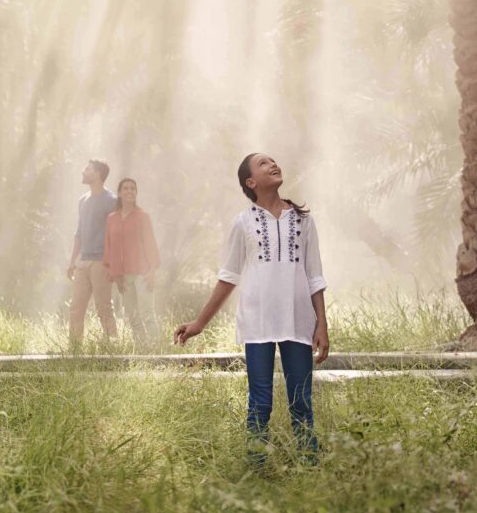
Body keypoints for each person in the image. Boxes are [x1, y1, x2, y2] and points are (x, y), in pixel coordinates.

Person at [174, 153, 329, 463]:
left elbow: (315, 275)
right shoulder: (243, 222)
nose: (273, 164)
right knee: (260, 401)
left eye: (273, 160)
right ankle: (256, 466)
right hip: (257, 322)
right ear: (251, 182)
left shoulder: (302, 219)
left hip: (298, 321)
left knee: (301, 400)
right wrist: (200, 323)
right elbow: (228, 277)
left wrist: (321, 324)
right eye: (263, 164)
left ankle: (309, 465)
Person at [64, 158, 118, 350]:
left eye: (87, 169)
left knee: (104, 308)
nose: (83, 172)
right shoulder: (83, 200)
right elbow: (79, 233)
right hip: (83, 262)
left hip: (101, 262)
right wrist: (72, 262)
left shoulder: (111, 201)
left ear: (97, 174)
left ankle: (113, 348)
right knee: (76, 308)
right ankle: (74, 351)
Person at [104, 178, 161, 350]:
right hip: (123, 275)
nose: (129, 191)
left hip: (142, 273)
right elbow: (109, 246)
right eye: (126, 188)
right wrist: (115, 273)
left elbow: (150, 244)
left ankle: (157, 351)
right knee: (132, 316)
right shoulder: (111, 219)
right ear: (119, 193)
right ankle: (143, 351)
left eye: (133, 188)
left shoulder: (142, 217)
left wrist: (152, 271)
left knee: (147, 314)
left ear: (136, 192)